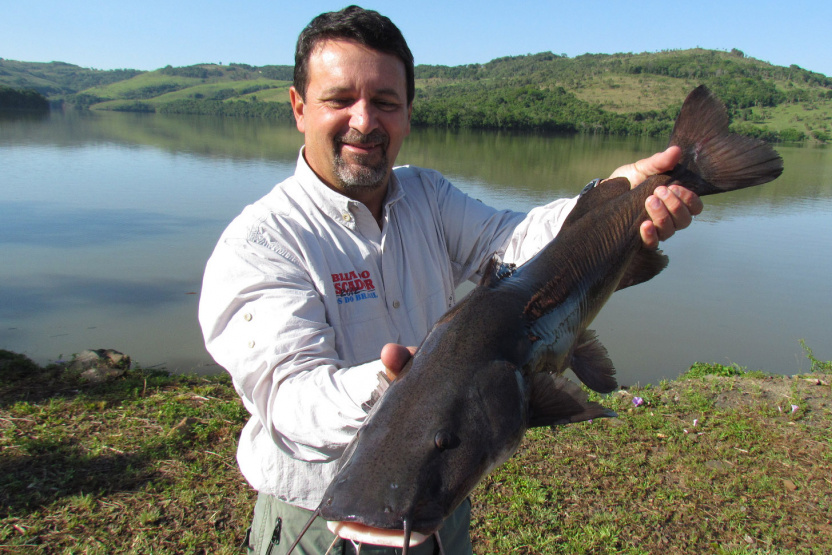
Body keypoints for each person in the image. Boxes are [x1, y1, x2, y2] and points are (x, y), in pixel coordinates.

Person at [198, 5, 702, 554]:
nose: (364, 122)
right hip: (320, 522)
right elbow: (289, 398)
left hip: (438, 511)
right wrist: (397, 388)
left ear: (408, 114)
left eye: (385, 103)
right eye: (339, 100)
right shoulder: (261, 241)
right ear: (299, 108)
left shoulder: (427, 196)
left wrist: (624, 191)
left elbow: (515, 247)